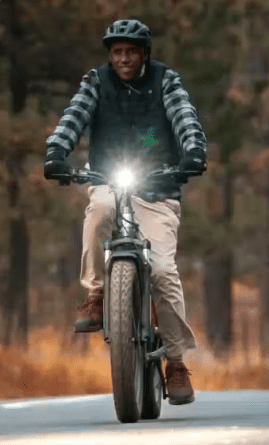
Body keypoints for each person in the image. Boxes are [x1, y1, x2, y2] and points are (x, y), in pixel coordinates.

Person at [44, 19, 207, 405]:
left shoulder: (165, 82)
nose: (123, 58)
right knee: (99, 209)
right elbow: (73, 118)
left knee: (164, 271)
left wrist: (193, 150)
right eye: (117, 52)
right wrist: (56, 151)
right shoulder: (96, 83)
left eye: (131, 51)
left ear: (144, 53)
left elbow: (182, 119)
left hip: (158, 189)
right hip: (108, 181)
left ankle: (176, 361)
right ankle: (98, 296)